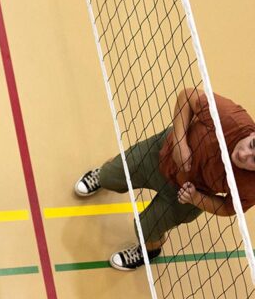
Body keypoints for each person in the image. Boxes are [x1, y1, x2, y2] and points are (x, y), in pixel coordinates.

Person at [74, 88, 255, 271]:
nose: (243, 154)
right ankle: (105, 172)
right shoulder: (230, 118)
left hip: (186, 196)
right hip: (162, 153)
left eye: (253, 160)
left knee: (145, 230)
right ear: (253, 134)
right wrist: (179, 142)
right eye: (252, 145)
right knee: (109, 177)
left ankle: (150, 251)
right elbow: (187, 96)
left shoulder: (252, 186)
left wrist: (196, 199)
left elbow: (227, 207)